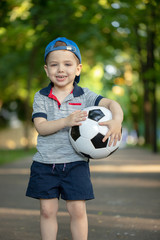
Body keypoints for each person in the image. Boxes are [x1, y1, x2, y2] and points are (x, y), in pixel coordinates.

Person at [26, 37, 123, 240]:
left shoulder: (85, 96)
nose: (61, 69)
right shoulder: (41, 97)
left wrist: (117, 121)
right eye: (54, 65)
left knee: (77, 211)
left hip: (75, 165)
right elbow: (41, 128)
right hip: (45, 165)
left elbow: (112, 104)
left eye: (67, 64)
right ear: (46, 70)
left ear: (78, 69)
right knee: (47, 211)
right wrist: (66, 121)